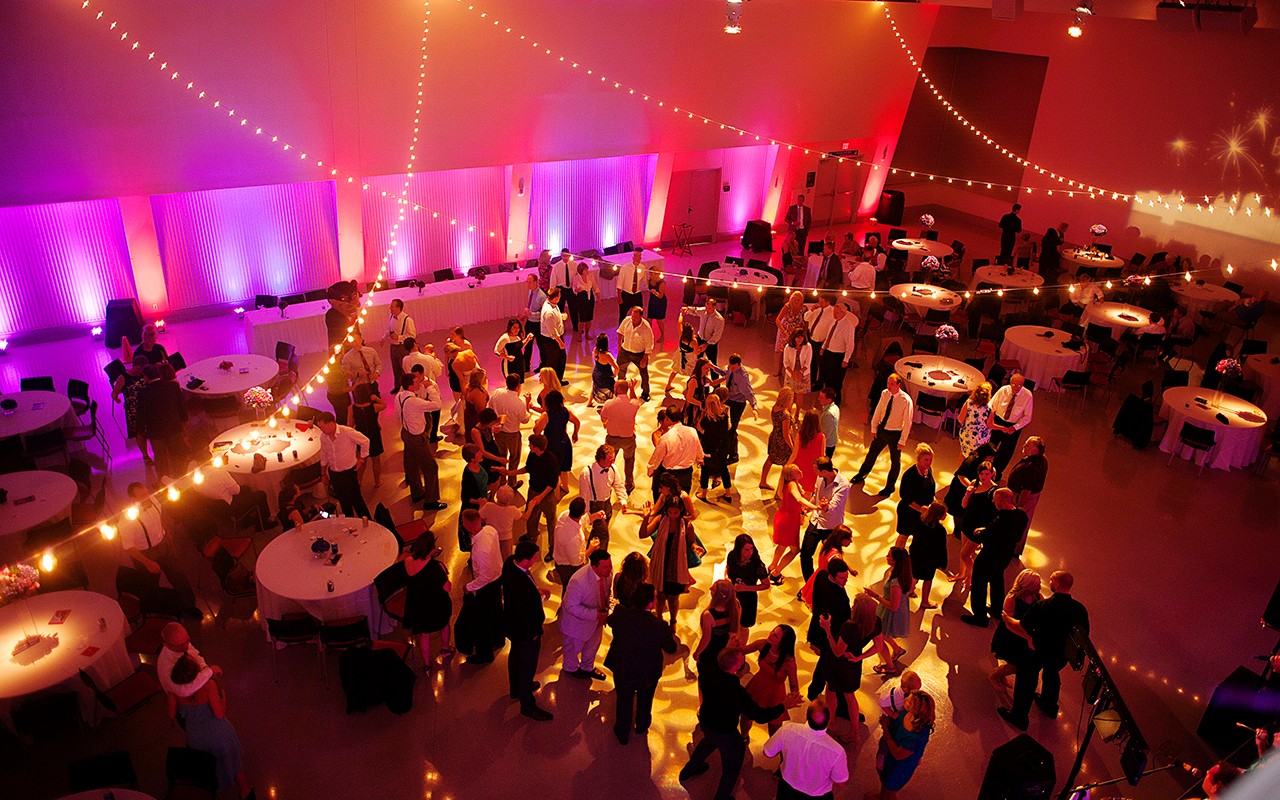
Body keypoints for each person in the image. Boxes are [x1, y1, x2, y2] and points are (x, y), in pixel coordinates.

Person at [679, 647, 799, 800]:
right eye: (741, 660)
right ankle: (721, 797)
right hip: (725, 731)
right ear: (734, 667)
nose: (744, 660)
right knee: (732, 765)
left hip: (707, 721)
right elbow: (759, 715)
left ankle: (688, 771)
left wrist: (728, 649)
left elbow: (707, 660)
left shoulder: (706, 672)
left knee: (707, 743)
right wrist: (784, 705)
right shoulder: (736, 691)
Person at [1000, 571, 1089, 730]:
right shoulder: (1080, 609)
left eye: (1051, 580)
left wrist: (1008, 619)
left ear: (1056, 585)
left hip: (1038, 651)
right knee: (1052, 675)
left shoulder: (1043, 606)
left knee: (1027, 680)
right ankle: (1049, 706)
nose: (1048, 582)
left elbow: (1022, 625)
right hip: (1061, 655)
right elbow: (1083, 635)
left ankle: (1019, 717)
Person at [167, 655, 250, 798]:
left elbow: (171, 714)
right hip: (218, 734)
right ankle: (244, 789)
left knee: (207, 765)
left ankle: (212, 790)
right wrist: (224, 698)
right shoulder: (208, 686)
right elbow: (219, 714)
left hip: (194, 735)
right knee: (233, 761)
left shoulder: (174, 691)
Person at [606, 582, 677, 744]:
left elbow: (610, 622)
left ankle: (622, 731)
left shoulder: (620, 613)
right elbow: (671, 648)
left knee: (624, 699)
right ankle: (642, 725)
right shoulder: (659, 626)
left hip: (623, 667)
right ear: (651, 603)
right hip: (648, 671)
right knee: (645, 700)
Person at [120, 481, 198, 617]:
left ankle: (188, 606)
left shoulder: (154, 501)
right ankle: (154, 613)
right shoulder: (127, 519)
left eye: (147, 493)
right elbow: (128, 547)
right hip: (145, 554)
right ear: (133, 499)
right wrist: (147, 562)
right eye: (142, 496)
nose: (147, 498)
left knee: (178, 575)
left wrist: (165, 531)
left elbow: (159, 517)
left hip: (163, 546)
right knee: (150, 586)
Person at [502, 540, 554, 721]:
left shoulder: (510, 563)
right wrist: (534, 632)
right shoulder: (522, 588)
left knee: (515, 656)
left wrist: (536, 590)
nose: (536, 559)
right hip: (526, 631)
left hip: (513, 626)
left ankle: (515, 688)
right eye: (534, 557)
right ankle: (528, 705)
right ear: (527, 560)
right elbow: (529, 612)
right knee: (527, 666)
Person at [961, 489, 1028, 628]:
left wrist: (979, 531)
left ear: (1003, 501)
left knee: (979, 584)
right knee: (997, 580)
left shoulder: (1002, 520)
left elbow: (984, 536)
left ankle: (980, 617)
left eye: (995, 499)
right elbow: (1017, 537)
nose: (993, 501)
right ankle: (997, 609)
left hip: (989, 556)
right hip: (1005, 555)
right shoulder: (1021, 515)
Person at [821, 593, 881, 743]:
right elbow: (878, 646)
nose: (852, 607)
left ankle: (831, 722)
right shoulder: (876, 622)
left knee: (830, 689)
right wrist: (858, 657)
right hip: (853, 665)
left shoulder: (849, 627)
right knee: (850, 695)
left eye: (854, 605)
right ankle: (855, 731)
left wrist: (827, 630)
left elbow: (837, 651)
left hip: (838, 665)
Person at [763, 698, 849, 800]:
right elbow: (841, 782)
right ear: (828, 721)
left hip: (786, 790)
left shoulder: (787, 729)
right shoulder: (837, 751)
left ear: (806, 716)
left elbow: (767, 753)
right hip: (817, 796)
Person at [641, 491, 699, 625]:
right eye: (670, 512)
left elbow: (691, 542)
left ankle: (673, 621)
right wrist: (645, 518)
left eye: (676, 513)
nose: (673, 516)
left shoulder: (687, 524)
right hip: (661, 563)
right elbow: (643, 534)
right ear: (666, 510)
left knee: (673, 598)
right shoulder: (660, 520)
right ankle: (659, 619)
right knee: (660, 596)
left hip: (676, 567)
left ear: (681, 512)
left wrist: (695, 547)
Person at [852, 373, 914, 497]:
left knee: (895, 462)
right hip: (882, 430)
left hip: (895, 434)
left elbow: (908, 421)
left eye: (892, 383)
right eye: (888, 383)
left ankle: (889, 487)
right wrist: (874, 427)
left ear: (898, 384)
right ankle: (862, 474)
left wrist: (902, 440)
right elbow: (879, 410)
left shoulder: (905, 400)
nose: (889, 386)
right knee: (871, 454)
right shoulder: (885, 393)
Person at [401, 530, 453, 667]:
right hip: (436, 606)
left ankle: (426, 664)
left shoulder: (408, 562)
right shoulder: (437, 567)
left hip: (417, 606)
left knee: (424, 634)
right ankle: (446, 648)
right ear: (431, 549)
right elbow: (447, 588)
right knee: (445, 625)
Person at [396, 374, 447, 511]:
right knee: (431, 467)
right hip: (417, 437)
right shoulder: (414, 401)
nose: (419, 383)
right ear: (410, 386)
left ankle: (417, 493)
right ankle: (431, 501)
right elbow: (437, 405)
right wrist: (430, 388)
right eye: (417, 382)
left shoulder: (399, 396)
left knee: (412, 465)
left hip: (406, 433)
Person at [459, 509, 504, 664]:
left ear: (467, 525)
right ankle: (499, 638)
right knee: (497, 610)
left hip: (487, 586)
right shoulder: (490, 530)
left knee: (481, 622)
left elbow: (484, 577)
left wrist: (469, 586)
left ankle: (484, 654)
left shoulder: (480, 551)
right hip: (498, 577)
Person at [872, 690, 935, 799]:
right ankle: (882, 795)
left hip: (899, 768)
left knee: (889, 790)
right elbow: (898, 723)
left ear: (917, 711)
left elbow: (898, 754)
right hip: (888, 754)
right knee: (882, 776)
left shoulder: (916, 737)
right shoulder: (907, 713)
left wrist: (885, 728)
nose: (905, 700)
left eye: (909, 702)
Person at [560, 549, 612, 680]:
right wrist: (595, 614)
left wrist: (608, 608)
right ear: (594, 567)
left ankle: (587, 667)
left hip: (597, 621)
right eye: (605, 567)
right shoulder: (578, 581)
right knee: (572, 649)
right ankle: (570, 668)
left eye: (610, 565)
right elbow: (570, 606)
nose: (610, 569)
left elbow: (607, 594)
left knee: (593, 646)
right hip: (577, 624)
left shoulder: (607, 574)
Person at [989, 569, 1042, 696]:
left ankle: (1001, 674)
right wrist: (1027, 637)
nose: (1039, 587)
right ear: (1027, 585)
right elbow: (1008, 624)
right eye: (1036, 584)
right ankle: (995, 676)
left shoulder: (1038, 597)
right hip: (1010, 637)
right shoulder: (1012, 598)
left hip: (1023, 636)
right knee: (1016, 665)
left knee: (1018, 663)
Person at [743, 625, 801, 740]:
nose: (770, 634)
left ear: (783, 643)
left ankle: (779, 752)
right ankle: (744, 736)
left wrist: (793, 696)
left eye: (775, 635)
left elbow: (794, 685)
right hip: (757, 686)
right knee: (745, 717)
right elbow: (742, 651)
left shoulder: (789, 662)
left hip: (775, 695)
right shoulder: (762, 644)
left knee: (774, 729)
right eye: (772, 631)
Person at [807, 559, 852, 702]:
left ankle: (815, 689)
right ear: (832, 576)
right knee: (825, 663)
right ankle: (815, 690)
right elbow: (843, 620)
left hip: (818, 626)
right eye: (842, 578)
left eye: (846, 577)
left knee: (824, 661)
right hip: (830, 634)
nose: (845, 581)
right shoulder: (839, 597)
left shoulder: (821, 575)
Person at [768, 464, 819, 585]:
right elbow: (798, 499)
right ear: (790, 476)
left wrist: (802, 510)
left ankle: (772, 566)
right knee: (795, 550)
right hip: (789, 521)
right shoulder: (792, 485)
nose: (801, 471)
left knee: (782, 545)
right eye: (797, 471)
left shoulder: (792, 483)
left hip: (785, 518)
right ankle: (776, 573)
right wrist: (816, 507)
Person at [865, 547, 913, 672]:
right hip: (888, 609)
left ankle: (889, 666)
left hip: (890, 612)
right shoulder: (899, 572)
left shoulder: (896, 582)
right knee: (883, 634)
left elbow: (893, 606)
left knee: (879, 638)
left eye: (889, 555)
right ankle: (897, 650)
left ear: (895, 560)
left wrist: (875, 596)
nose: (886, 556)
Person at [138, 363, 187, 482]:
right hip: (174, 428)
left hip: (156, 433)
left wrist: (141, 432)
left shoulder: (143, 393)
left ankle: (165, 484)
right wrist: (183, 425)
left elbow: (141, 416)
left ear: (146, 377)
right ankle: (182, 481)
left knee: (161, 460)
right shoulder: (173, 387)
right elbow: (182, 408)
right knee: (177, 457)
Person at [953, 459, 998, 589]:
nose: (984, 477)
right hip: (968, 521)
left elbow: (994, 513)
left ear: (991, 474)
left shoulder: (993, 491)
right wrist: (967, 494)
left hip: (979, 528)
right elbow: (963, 504)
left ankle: (970, 576)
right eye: (982, 474)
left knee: (965, 554)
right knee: (964, 550)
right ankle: (962, 574)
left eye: (987, 474)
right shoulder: (974, 484)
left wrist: (987, 529)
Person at [804, 458, 852, 582]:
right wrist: (809, 506)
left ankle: (827, 584)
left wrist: (826, 507)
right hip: (815, 521)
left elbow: (834, 507)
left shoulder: (843, 484)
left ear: (824, 471)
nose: (814, 472)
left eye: (816, 470)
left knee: (832, 560)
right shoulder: (820, 478)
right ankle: (810, 584)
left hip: (831, 527)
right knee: (805, 554)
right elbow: (816, 496)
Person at [517, 433, 560, 559]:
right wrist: (511, 472)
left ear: (536, 447)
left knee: (551, 521)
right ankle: (531, 534)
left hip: (546, 495)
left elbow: (552, 483)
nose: (528, 445)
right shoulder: (533, 455)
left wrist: (541, 497)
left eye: (530, 444)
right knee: (531, 516)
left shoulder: (551, 460)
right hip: (533, 490)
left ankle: (552, 549)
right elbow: (528, 468)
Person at [648, 406, 705, 497]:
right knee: (682, 502)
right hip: (686, 474)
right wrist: (700, 458)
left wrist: (650, 470)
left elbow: (657, 457)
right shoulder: (692, 431)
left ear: (667, 418)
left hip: (669, 475)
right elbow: (699, 450)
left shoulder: (666, 437)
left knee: (666, 502)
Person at [1006, 436, 1048, 555]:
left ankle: (1013, 548)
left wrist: (1017, 505)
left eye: (1027, 445)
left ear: (1035, 451)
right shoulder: (1042, 459)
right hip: (1025, 495)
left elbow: (1026, 491)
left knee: (1018, 522)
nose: (1023, 446)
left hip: (1022, 497)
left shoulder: (1032, 468)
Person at [488, 372, 531, 485]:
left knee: (501, 456)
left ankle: (501, 481)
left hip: (498, 432)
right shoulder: (519, 403)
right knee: (514, 458)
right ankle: (512, 483)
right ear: (518, 386)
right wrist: (528, 405)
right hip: (512, 434)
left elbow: (490, 407)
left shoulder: (497, 393)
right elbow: (525, 420)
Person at [600, 379, 641, 496]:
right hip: (628, 439)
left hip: (612, 439)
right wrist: (632, 389)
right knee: (629, 460)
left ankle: (605, 483)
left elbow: (603, 419)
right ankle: (629, 484)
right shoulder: (633, 404)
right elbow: (635, 400)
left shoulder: (609, 403)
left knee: (608, 462)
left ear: (617, 389)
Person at [989, 373, 1035, 478]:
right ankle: (984, 467)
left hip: (1013, 425)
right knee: (991, 444)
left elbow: (1028, 417)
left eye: (1019, 385)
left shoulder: (1027, 395)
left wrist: (1015, 427)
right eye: (1014, 385)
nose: (1016, 388)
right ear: (1010, 383)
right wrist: (991, 419)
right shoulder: (1003, 390)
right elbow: (991, 404)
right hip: (998, 420)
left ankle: (996, 473)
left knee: (1006, 451)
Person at [533, 390, 579, 492]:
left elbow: (536, 431)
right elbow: (577, 422)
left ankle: (556, 493)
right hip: (565, 442)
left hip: (552, 444)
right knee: (564, 466)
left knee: (553, 470)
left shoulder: (546, 415)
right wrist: (575, 433)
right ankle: (565, 487)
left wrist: (537, 422)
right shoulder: (566, 411)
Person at [906, 502, 949, 609]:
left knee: (914, 574)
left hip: (916, 553)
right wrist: (942, 563)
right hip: (930, 558)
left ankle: (908, 591)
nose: (946, 515)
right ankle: (924, 601)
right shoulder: (940, 530)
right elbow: (941, 547)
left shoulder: (918, 522)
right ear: (938, 516)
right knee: (928, 579)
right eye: (944, 514)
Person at [726, 534, 770, 635]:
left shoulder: (756, 564)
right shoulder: (732, 556)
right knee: (731, 621)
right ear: (739, 549)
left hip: (748, 598)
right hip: (733, 595)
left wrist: (745, 588)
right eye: (746, 550)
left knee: (744, 626)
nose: (750, 552)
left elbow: (766, 585)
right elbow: (728, 569)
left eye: (751, 548)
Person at [895, 443, 936, 549]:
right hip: (908, 512)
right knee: (904, 535)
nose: (929, 463)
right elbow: (905, 497)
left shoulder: (928, 471)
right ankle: (898, 558)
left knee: (918, 535)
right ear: (918, 460)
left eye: (930, 460)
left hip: (922, 513)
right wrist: (920, 509)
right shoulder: (910, 475)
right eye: (926, 460)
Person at [694, 579, 742, 669]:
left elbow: (706, 638)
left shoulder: (709, 615)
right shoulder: (736, 605)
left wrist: (697, 652)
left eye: (712, 589)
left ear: (717, 596)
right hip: (726, 646)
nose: (709, 589)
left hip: (712, 648)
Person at [696, 393, 735, 503]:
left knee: (705, 469)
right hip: (722, 447)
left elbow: (700, 428)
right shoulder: (724, 416)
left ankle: (703, 493)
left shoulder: (706, 420)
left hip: (709, 447)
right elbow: (728, 427)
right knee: (723, 469)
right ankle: (728, 493)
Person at [801, 527, 853, 609]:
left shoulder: (826, 543)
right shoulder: (836, 556)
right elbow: (838, 565)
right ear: (840, 539)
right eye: (848, 539)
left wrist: (850, 569)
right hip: (828, 582)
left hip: (818, 576)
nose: (851, 541)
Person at [113, 352, 151, 462]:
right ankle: (145, 455)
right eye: (138, 369)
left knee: (151, 429)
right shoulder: (123, 377)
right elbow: (115, 392)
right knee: (139, 432)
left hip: (147, 406)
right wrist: (116, 398)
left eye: (142, 370)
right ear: (133, 366)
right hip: (133, 410)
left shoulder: (145, 374)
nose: (140, 372)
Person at [817, 303, 858, 405]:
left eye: (838, 312)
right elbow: (829, 336)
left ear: (844, 313)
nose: (835, 314)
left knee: (836, 382)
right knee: (827, 377)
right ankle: (826, 399)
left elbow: (850, 344)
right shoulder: (834, 322)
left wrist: (846, 359)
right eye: (834, 312)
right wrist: (823, 348)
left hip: (838, 356)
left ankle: (835, 402)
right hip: (829, 353)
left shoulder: (848, 326)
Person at [723, 353, 758, 461]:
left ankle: (734, 455)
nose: (731, 369)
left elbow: (749, 392)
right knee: (726, 425)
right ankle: (727, 448)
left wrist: (754, 407)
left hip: (738, 403)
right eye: (729, 366)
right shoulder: (730, 369)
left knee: (732, 428)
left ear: (739, 364)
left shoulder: (743, 377)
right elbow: (725, 373)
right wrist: (713, 367)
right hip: (729, 399)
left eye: (733, 367)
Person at [761, 386, 797, 490]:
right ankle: (781, 489)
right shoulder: (785, 415)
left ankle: (763, 481)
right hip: (781, 441)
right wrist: (792, 447)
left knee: (770, 459)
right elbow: (786, 435)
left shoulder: (775, 407)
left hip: (774, 437)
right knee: (787, 464)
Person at [349, 383, 385, 488]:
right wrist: (376, 398)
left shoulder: (352, 408)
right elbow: (384, 405)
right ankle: (377, 482)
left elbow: (350, 425)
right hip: (374, 434)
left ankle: (359, 481)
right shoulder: (374, 407)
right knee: (376, 459)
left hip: (361, 435)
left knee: (362, 460)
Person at [616, 305, 655, 401]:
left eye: (635, 317)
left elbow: (649, 345)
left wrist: (644, 359)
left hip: (639, 354)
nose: (633, 319)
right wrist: (619, 344)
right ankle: (620, 390)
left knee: (644, 374)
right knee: (621, 370)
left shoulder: (646, 327)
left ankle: (645, 393)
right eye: (632, 316)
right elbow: (620, 331)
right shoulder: (627, 320)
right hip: (625, 351)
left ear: (641, 316)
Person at [480, 484, 523, 560]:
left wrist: (481, 504)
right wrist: (531, 507)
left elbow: (480, 517)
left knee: (491, 557)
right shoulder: (513, 510)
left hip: (491, 537)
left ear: (497, 495)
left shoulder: (488, 506)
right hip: (506, 538)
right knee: (506, 559)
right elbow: (525, 517)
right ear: (511, 498)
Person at [682, 296, 726, 364]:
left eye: (709, 308)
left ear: (714, 307)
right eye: (706, 307)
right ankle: (699, 374)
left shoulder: (719, 320)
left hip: (711, 343)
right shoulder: (703, 311)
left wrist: (707, 344)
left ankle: (714, 375)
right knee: (698, 361)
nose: (707, 310)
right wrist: (687, 309)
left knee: (712, 362)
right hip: (700, 339)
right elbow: (695, 310)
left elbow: (717, 335)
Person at [384, 298, 415, 392]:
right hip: (393, 347)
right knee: (395, 367)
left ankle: (406, 387)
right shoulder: (391, 317)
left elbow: (412, 335)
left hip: (402, 347)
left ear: (399, 308)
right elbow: (389, 330)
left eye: (392, 306)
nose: (390, 308)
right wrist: (384, 337)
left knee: (404, 368)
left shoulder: (407, 320)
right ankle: (397, 386)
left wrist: (399, 337)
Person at [775, 291, 808, 378]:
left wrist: (804, 333)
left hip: (798, 334)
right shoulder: (787, 306)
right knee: (783, 351)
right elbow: (778, 320)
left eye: (798, 300)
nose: (796, 301)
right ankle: (779, 369)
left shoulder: (804, 308)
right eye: (794, 299)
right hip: (787, 333)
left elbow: (806, 321)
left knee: (796, 351)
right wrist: (784, 332)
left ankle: (793, 370)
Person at [342, 329, 382, 398]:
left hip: (372, 383)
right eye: (352, 342)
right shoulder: (347, 357)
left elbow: (378, 364)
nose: (354, 344)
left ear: (361, 340)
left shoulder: (371, 351)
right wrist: (357, 374)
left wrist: (377, 373)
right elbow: (346, 374)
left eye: (356, 341)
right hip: (359, 387)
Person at [792, 412, 826, 495]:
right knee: (808, 491)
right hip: (812, 469)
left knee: (797, 489)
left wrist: (787, 464)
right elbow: (822, 455)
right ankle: (805, 507)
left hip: (800, 466)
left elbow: (794, 454)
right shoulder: (821, 437)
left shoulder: (800, 436)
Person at [957, 382, 993, 458]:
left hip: (967, 434)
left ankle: (962, 469)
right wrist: (1004, 428)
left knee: (964, 455)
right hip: (981, 438)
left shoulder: (969, 403)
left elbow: (960, 419)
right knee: (977, 458)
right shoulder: (989, 409)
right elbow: (990, 425)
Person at [539, 287, 568, 381]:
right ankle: (552, 382)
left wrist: (561, 316)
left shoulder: (552, 304)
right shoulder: (549, 312)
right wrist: (560, 342)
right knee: (554, 362)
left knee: (561, 359)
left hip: (555, 337)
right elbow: (552, 332)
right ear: (555, 298)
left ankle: (558, 380)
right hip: (551, 340)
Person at [521, 273, 548, 370]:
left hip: (537, 324)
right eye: (527, 282)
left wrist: (532, 314)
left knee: (541, 345)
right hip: (530, 322)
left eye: (530, 282)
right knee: (528, 344)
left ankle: (544, 363)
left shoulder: (542, 296)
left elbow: (543, 313)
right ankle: (526, 365)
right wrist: (526, 314)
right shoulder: (530, 292)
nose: (528, 284)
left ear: (536, 282)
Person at [495, 318, 534, 383]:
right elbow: (496, 351)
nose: (517, 330)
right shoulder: (505, 338)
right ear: (510, 327)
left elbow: (519, 347)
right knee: (512, 383)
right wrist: (507, 357)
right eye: (514, 327)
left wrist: (527, 339)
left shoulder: (517, 337)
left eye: (518, 327)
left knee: (519, 383)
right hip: (510, 364)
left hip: (520, 363)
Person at [783, 329, 814, 409]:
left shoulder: (808, 346)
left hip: (803, 374)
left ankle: (797, 413)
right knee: (789, 395)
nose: (800, 339)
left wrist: (800, 373)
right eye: (798, 337)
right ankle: (788, 412)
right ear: (794, 338)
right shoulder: (788, 347)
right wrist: (792, 373)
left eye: (802, 337)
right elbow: (786, 362)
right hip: (790, 374)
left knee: (800, 396)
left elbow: (808, 362)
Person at [615, 249, 648, 324]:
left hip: (637, 294)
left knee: (639, 314)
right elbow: (619, 283)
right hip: (626, 294)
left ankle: (637, 329)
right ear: (633, 257)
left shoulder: (642, 268)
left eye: (640, 256)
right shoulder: (625, 267)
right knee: (623, 314)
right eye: (636, 256)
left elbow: (645, 282)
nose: (638, 258)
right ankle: (622, 332)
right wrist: (619, 296)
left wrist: (651, 288)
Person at [587, 334, 618, 406]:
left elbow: (595, 360)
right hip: (605, 375)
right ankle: (618, 403)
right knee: (614, 387)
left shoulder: (595, 351)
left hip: (596, 373)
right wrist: (614, 375)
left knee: (595, 386)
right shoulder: (607, 355)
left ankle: (589, 402)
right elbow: (616, 367)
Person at [572, 261, 599, 334]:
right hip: (581, 298)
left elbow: (595, 287)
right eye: (586, 270)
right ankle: (579, 334)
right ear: (582, 271)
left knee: (589, 318)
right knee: (582, 319)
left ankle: (587, 333)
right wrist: (577, 290)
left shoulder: (590, 276)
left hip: (590, 298)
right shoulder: (576, 278)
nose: (587, 271)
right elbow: (573, 288)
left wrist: (598, 297)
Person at [647, 272, 668, 340]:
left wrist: (655, 293)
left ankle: (662, 335)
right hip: (652, 301)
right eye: (651, 274)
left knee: (659, 320)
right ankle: (649, 335)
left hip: (660, 302)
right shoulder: (650, 280)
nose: (652, 275)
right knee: (649, 319)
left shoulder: (661, 282)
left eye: (653, 274)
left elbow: (661, 296)